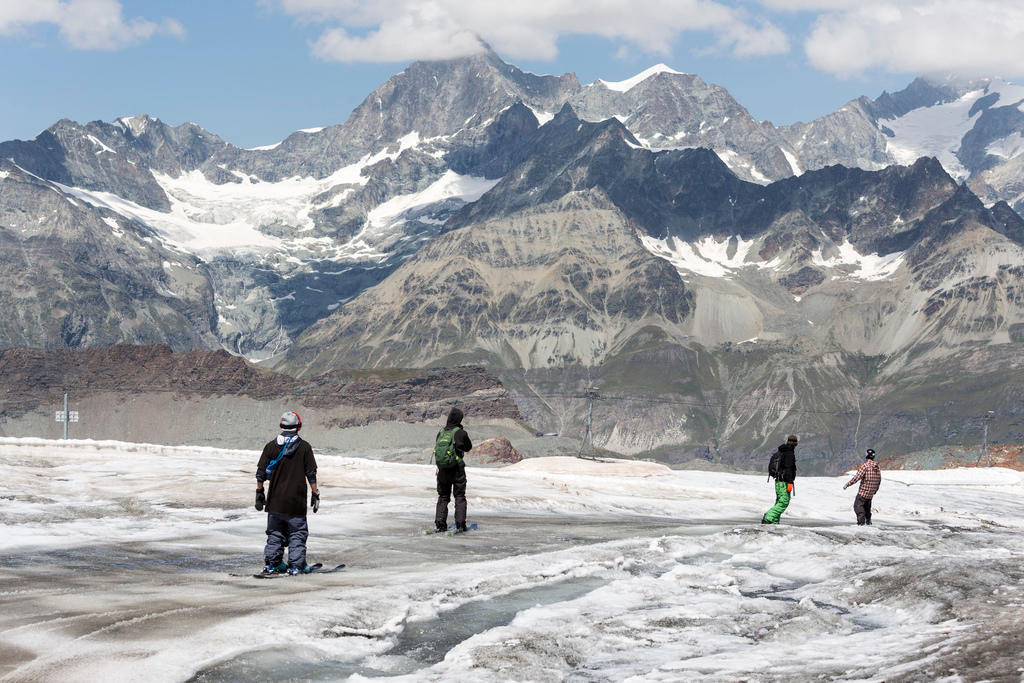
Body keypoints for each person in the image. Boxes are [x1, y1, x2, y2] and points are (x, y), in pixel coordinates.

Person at [255, 411, 319, 574]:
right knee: (297, 533)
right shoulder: (304, 447)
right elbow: (311, 473)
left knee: (275, 533)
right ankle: (297, 566)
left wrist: (259, 492)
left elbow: (261, 472)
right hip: (295, 502)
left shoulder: (270, 446)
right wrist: (315, 493)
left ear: (281, 425)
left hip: (275, 501)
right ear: (298, 427)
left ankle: (273, 564)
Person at [434, 407, 472, 533]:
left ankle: (440, 524)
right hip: (457, 470)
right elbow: (468, 447)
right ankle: (460, 525)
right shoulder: (460, 433)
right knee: (459, 496)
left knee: (443, 496)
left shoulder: (441, 432)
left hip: (443, 470)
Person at [762, 434, 798, 524]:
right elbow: (788, 468)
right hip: (784, 482)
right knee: (784, 502)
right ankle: (768, 517)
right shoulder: (789, 453)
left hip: (778, 481)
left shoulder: (780, 452)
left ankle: (774, 522)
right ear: (795, 443)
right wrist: (790, 482)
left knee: (779, 501)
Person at [844, 448, 882, 525]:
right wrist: (874, 491)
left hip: (863, 493)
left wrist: (847, 484)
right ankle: (868, 522)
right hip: (870, 494)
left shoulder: (865, 466)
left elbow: (857, 478)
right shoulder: (877, 468)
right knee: (867, 509)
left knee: (858, 507)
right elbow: (879, 480)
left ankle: (861, 524)